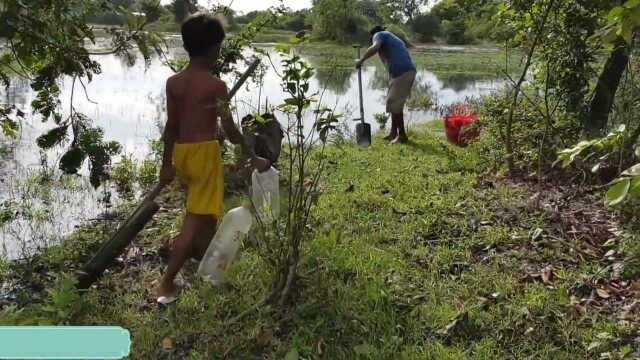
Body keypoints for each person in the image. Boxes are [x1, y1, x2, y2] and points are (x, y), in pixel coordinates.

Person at [156, 13, 270, 304]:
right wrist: (250, 152)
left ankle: (207, 267)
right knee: (194, 220)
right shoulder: (216, 86)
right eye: (219, 46)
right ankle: (167, 284)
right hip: (205, 155)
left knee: (205, 214)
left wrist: (166, 164)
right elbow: (230, 130)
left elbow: (171, 127)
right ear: (213, 48)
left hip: (182, 155)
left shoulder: (174, 83)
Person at [356, 26, 416, 144]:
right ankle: (393, 133)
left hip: (403, 73)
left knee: (394, 103)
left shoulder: (379, 35)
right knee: (394, 103)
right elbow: (392, 60)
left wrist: (361, 60)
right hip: (402, 73)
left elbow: (375, 47)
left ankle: (402, 136)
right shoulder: (392, 39)